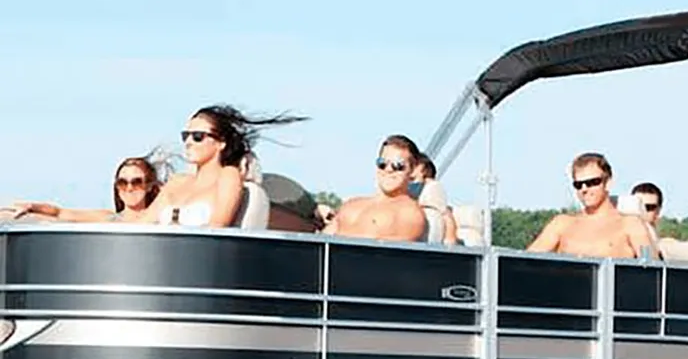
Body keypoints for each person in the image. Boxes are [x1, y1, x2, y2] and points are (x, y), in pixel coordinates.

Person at [135, 104, 307, 228]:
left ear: (220, 143)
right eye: (185, 136)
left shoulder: (228, 176)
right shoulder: (176, 182)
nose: (188, 142)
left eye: (197, 136)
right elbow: (142, 225)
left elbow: (218, 226)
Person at [527, 152, 656, 259]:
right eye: (578, 185)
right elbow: (525, 262)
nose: (584, 189)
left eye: (592, 182)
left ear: (608, 182)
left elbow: (654, 275)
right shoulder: (561, 224)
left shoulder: (631, 225)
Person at [323, 134, 427, 242]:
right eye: (382, 163)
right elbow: (320, 242)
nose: (389, 170)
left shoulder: (409, 213)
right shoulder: (351, 204)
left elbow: (391, 255)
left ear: (412, 170)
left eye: (398, 165)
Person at [11, 155, 161, 223]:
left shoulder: (160, 219)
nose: (129, 188)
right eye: (122, 183)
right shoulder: (108, 219)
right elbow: (61, 213)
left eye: (136, 182)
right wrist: (31, 207)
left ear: (149, 186)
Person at [411, 153, 458, 245]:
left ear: (424, 170)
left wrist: (450, 240)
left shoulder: (432, 188)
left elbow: (446, 214)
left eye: (414, 165)